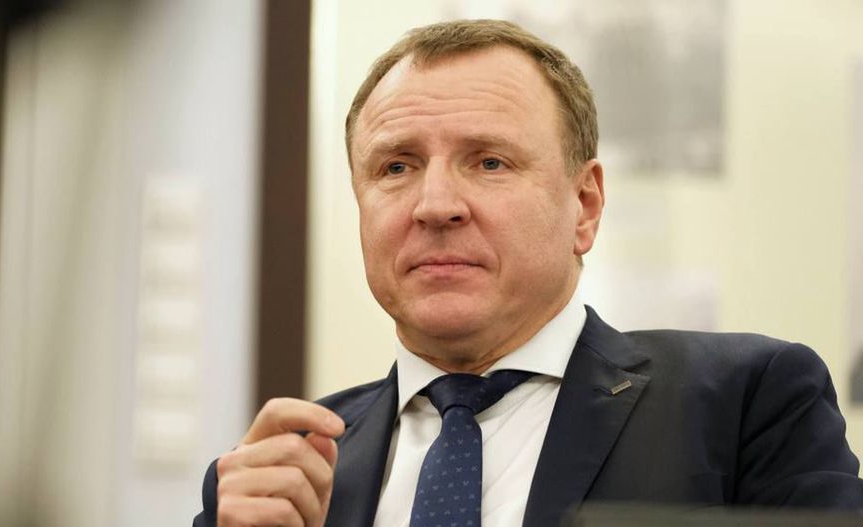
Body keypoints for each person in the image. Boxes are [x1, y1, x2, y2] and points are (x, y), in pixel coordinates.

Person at [194, 19, 863, 527]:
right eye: (396, 166)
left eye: (490, 162)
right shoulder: (288, 471)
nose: (435, 205)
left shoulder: (746, 404)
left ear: (585, 205)